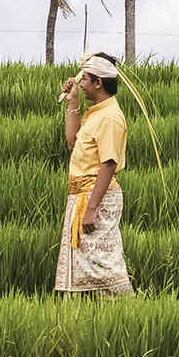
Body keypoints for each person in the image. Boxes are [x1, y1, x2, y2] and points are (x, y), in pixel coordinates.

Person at [56, 52, 134, 297]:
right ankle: (94, 317)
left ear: (98, 83)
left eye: (85, 80)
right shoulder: (97, 112)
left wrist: (91, 209)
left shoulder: (110, 117)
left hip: (95, 198)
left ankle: (127, 311)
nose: (80, 83)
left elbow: (108, 164)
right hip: (83, 195)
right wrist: (72, 102)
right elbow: (72, 141)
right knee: (87, 263)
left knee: (103, 263)